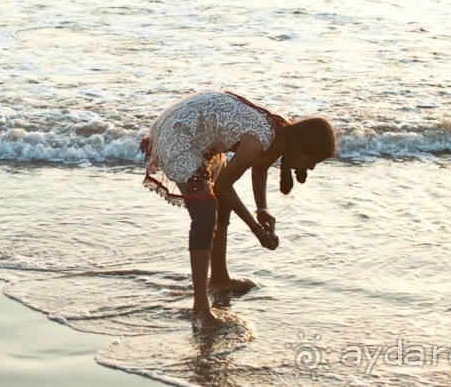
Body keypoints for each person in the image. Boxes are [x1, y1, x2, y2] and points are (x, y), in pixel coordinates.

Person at [140, 90, 336, 331]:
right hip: (181, 132)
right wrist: (255, 228)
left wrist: (261, 209)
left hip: (199, 129)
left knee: (221, 206)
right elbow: (224, 186)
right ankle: (200, 308)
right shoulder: (260, 139)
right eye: (311, 161)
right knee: (205, 214)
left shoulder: (280, 133)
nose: (312, 168)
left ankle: (220, 279)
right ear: (299, 146)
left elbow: (261, 167)